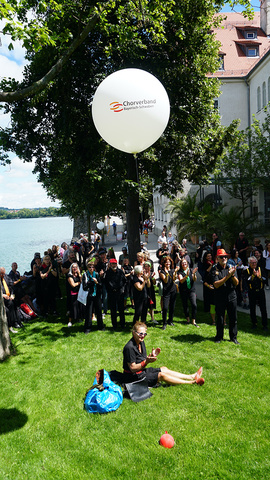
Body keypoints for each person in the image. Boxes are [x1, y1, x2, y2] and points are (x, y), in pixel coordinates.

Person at [122, 322, 204, 386]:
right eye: (140, 333)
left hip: (140, 372)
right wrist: (146, 361)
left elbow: (140, 359)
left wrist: (151, 356)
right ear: (133, 333)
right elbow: (132, 368)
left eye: (144, 334)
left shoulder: (140, 342)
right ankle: (192, 383)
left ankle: (191, 376)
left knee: (164, 369)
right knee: (161, 375)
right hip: (132, 378)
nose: (143, 336)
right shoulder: (129, 347)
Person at [212, 248, 239, 344]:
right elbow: (216, 284)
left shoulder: (231, 267)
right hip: (220, 297)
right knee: (220, 318)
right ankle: (219, 337)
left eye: (225, 257)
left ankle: (233, 337)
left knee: (233, 318)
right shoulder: (214, 269)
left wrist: (232, 275)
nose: (224, 258)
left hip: (231, 296)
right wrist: (227, 276)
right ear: (217, 258)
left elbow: (236, 283)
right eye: (221, 257)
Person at [244, 256, 268, 331]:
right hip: (252, 292)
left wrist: (259, 277)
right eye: (252, 263)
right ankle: (254, 323)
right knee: (252, 308)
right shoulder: (246, 271)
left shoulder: (261, 269)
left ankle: (265, 325)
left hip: (260, 291)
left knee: (263, 308)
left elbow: (265, 280)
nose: (254, 264)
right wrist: (253, 276)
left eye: (255, 262)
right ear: (249, 263)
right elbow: (247, 280)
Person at [82, 259, 104, 334]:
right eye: (89, 267)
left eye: (92, 267)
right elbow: (84, 287)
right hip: (89, 295)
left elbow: (101, 285)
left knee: (99, 311)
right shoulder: (85, 275)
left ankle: (100, 326)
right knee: (89, 312)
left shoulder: (97, 275)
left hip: (97, 295)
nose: (91, 269)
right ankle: (88, 327)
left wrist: (97, 282)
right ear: (87, 268)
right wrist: (90, 282)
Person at [104, 258, 126, 329]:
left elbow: (124, 281)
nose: (114, 265)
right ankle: (114, 325)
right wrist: (109, 290)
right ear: (110, 265)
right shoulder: (107, 273)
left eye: (115, 264)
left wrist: (122, 289)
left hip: (120, 292)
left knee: (121, 309)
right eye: (112, 264)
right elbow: (106, 283)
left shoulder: (120, 272)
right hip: (111, 293)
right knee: (113, 310)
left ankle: (122, 324)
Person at [159, 256, 179, 330]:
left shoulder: (173, 270)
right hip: (166, 291)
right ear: (164, 263)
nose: (168, 263)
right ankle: (164, 323)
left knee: (172, 306)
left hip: (173, 290)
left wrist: (175, 272)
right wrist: (167, 273)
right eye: (166, 262)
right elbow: (165, 281)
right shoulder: (162, 272)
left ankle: (170, 320)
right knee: (165, 307)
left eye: (169, 262)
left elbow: (174, 279)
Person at [178, 258, 199, 327]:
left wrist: (194, 274)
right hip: (183, 290)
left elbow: (195, 279)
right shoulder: (180, 272)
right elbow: (181, 281)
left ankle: (194, 320)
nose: (184, 264)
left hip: (191, 290)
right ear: (181, 264)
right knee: (185, 305)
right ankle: (188, 319)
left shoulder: (191, 270)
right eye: (183, 263)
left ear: (187, 263)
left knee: (194, 304)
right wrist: (186, 275)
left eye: (185, 262)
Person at [0, 266, 22, 332]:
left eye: (3, 273)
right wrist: (2, 295)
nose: (3, 275)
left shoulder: (6, 277)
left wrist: (12, 295)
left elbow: (11, 286)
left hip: (9, 297)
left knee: (15, 303)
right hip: (2, 299)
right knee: (8, 308)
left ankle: (17, 321)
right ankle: (10, 325)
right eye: (1, 274)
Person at [66, 263, 83, 327]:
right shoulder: (69, 275)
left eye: (76, 267)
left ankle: (78, 318)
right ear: (71, 268)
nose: (75, 268)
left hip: (79, 293)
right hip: (72, 294)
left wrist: (79, 274)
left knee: (79, 307)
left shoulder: (78, 275)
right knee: (72, 307)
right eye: (73, 267)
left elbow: (82, 282)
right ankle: (70, 321)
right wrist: (79, 282)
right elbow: (73, 285)